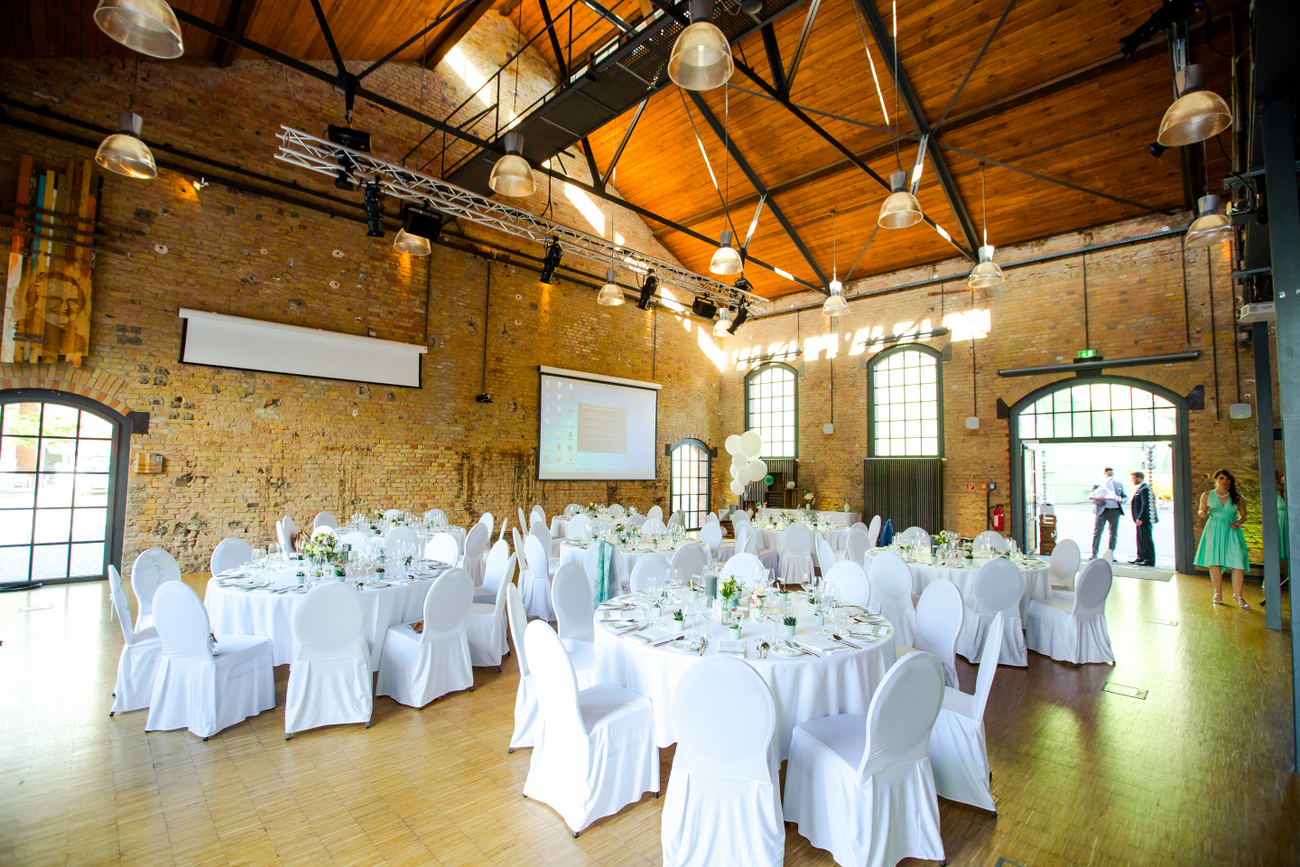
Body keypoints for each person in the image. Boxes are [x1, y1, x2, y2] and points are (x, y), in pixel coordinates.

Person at [1195, 469, 1251, 608]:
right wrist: (1204, 511)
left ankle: (1238, 595)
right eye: (1221, 478)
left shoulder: (1238, 497)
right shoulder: (1207, 495)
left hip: (1231, 530)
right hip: (1214, 529)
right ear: (1216, 480)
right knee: (1215, 561)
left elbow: (1243, 516)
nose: (1224, 481)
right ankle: (1218, 593)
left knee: (1238, 561)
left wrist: (1237, 523)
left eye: (1227, 479)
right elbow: (1201, 513)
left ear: (1230, 481)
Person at [1090, 467, 1126, 559]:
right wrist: (1098, 501)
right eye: (1108, 474)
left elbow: (1125, 496)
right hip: (1102, 511)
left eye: (1111, 474)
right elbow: (1092, 498)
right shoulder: (1099, 484)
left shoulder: (1118, 484)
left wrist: (1122, 500)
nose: (1110, 476)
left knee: (1113, 533)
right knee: (1097, 532)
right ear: (1104, 474)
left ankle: (1110, 554)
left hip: (1114, 510)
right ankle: (1094, 553)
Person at [1129, 471, 1155, 566]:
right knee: (1140, 539)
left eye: (1133, 478)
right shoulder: (1140, 488)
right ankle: (1141, 557)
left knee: (1146, 539)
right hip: (1138, 520)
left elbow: (1145, 505)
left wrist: (1141, 518)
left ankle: (1149, 559)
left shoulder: (1145, 489)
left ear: (1139, 478)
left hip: (1144, 520)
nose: (1132, 480)